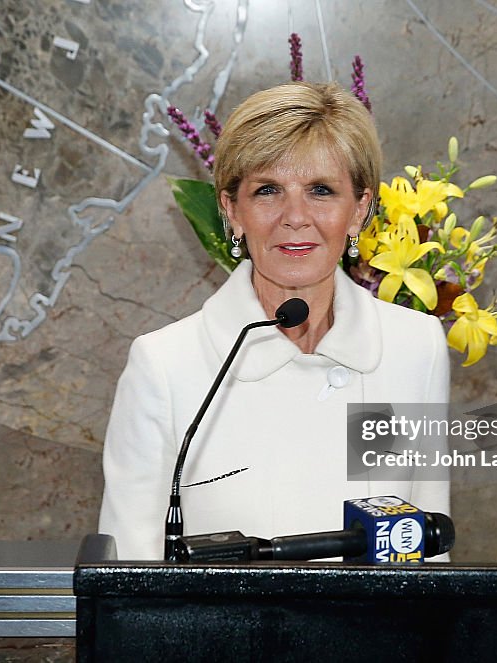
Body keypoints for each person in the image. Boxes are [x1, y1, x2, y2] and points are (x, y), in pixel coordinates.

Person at [98, 82, 450, 560]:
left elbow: (427, 548)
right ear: (232, 211)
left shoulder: (416, 347)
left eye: (321, 190)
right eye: (268, 191)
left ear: (360, 210)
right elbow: (129, 574)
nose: (295, 217)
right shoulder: (163, 365)